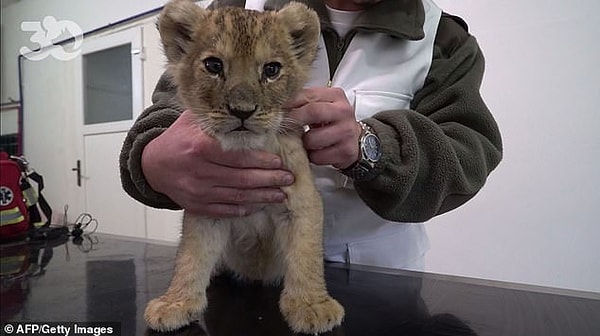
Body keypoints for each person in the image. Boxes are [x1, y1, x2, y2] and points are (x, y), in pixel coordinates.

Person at [119, 0, 503, 269]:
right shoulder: (237, 8)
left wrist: (372, 147)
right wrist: (150, 160)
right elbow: (167, 112)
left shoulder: (444, 39)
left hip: (379, 273)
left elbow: (468, 156)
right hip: (240, 267)